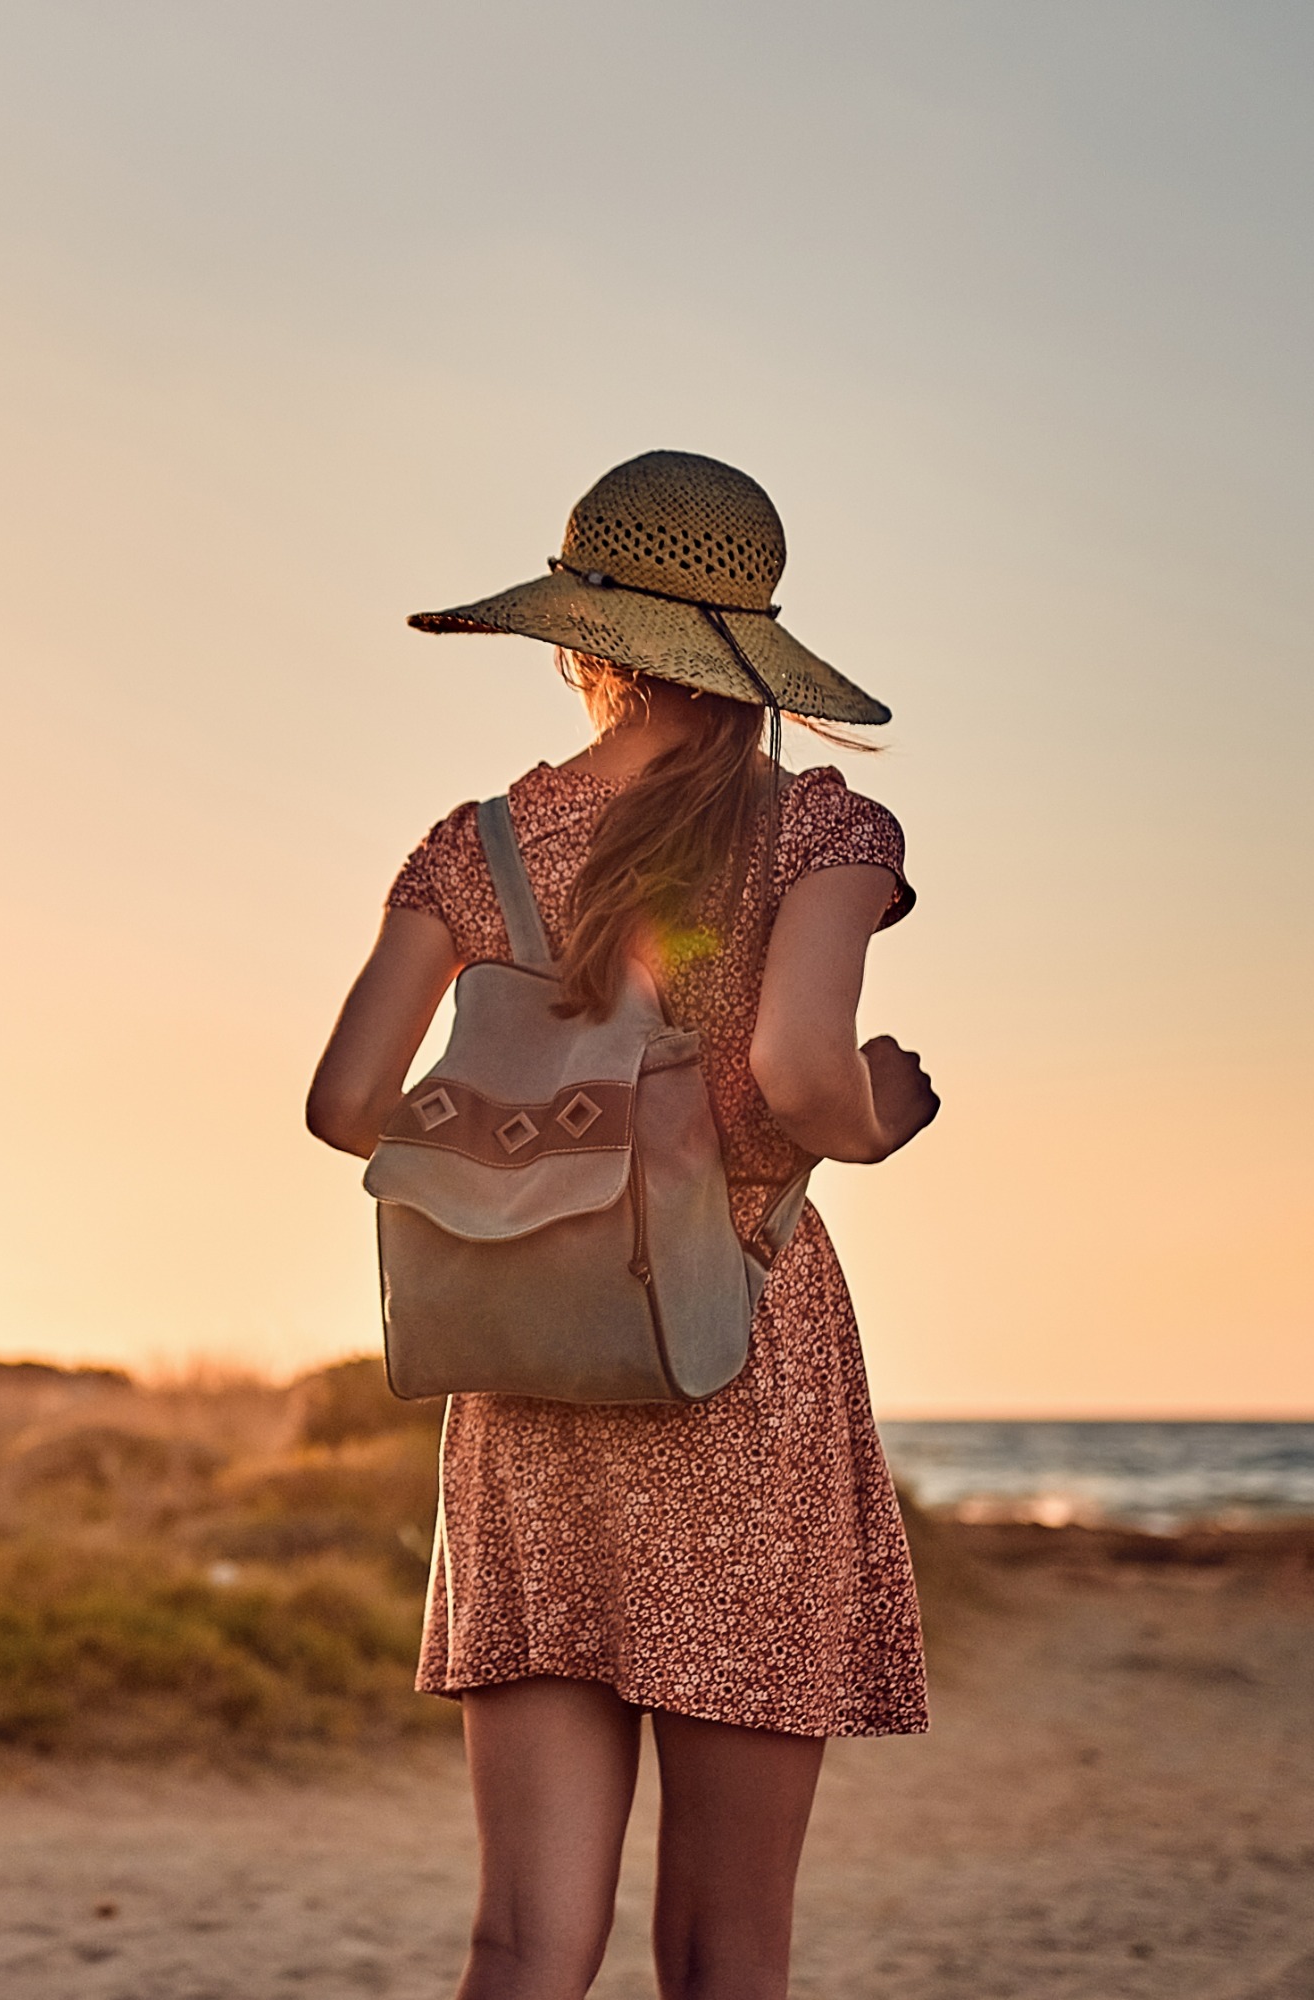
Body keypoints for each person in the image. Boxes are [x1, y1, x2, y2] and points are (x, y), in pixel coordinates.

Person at [305, 451, 942, 2000]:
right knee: (726, 1947)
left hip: (527, 1372)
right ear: (749, 658)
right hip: (737, 1367)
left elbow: (343, 1103)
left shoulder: (477, 846)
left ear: (582, 640)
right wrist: (884, 1105)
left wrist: (529, 1148)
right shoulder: (824, 834)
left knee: (524, 1938)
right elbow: (799, 1077)